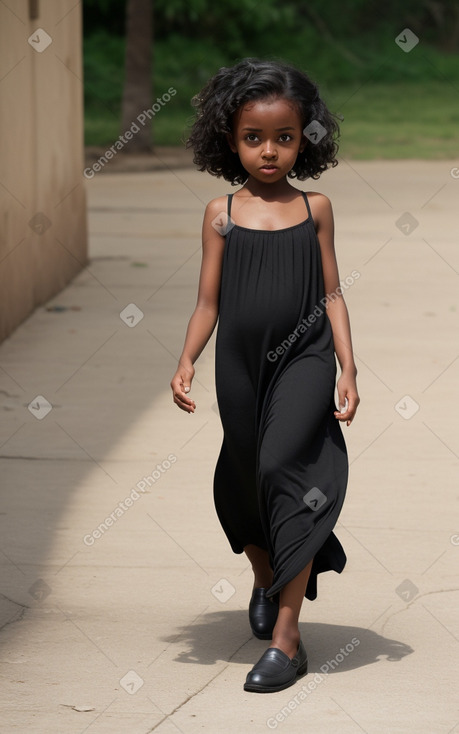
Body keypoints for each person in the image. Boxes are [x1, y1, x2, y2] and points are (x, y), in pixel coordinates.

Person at [170, 57, 360, 693]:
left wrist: (349, 366)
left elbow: (333, 294)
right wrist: (187, 358)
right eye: (254, 138)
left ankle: (287, 638)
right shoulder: (220, 213)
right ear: (230, 139)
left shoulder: (317, 208)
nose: (270, 151)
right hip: (241, 366)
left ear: (306, 136)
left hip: (305, 357)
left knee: (285, 466)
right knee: (246, 477)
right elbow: (207, 302)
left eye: (285, 137)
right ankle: (266, 574)